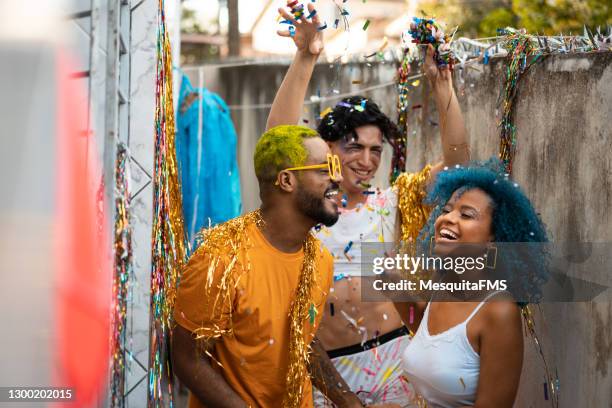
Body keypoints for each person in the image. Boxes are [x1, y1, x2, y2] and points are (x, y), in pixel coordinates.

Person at [267, 3, 470, 406]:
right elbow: (276, 142)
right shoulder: (309, 211)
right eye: (354, 146)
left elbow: (458, 167)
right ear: (325, 149)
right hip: (328, 374)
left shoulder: (393, 201)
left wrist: (442, 85)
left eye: (376, 150)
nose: (367, 160)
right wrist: (306, 57)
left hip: (397, 362)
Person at [172, 125, 379, 407]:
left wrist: (348, 401)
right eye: (324, 168)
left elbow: (302, 342)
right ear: (286, 181)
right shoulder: (222, 257)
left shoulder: (320, 259)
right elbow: (187, 359)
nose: (338, 177)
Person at [399, 159, 549, 407]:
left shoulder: (499, 310)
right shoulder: (443, 283)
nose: (448, 218)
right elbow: (432, 341)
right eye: (446, 210)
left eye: (466, 214)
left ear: (494, 239)